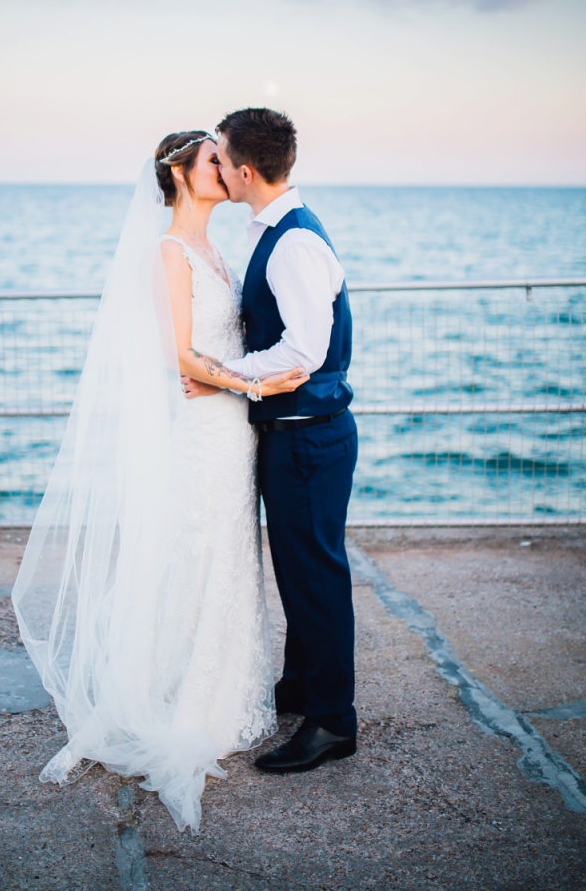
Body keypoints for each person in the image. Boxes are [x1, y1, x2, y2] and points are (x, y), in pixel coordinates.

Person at [12, 131, 306, 833]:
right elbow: (180, 355)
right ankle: (184, 699)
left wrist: (246, 385)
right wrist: (254, 383)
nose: (224, 168)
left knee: (230, 551)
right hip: (202, 430)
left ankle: (225, 690)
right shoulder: (169, 252)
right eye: (212, 159)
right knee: (196, 547)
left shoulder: (214, 250)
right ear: (179, 173)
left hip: (232, 430)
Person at [186, 107, 358, 773]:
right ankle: (301, 688)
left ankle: (332, 723)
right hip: (293, 434)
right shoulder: (274, 231)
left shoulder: (293, 243)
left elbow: (303, 351)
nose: (218, 167)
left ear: (246, 171)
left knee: (316, 577)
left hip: (309, 437)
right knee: (298, 570)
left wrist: (225, 377)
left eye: (222, 158)